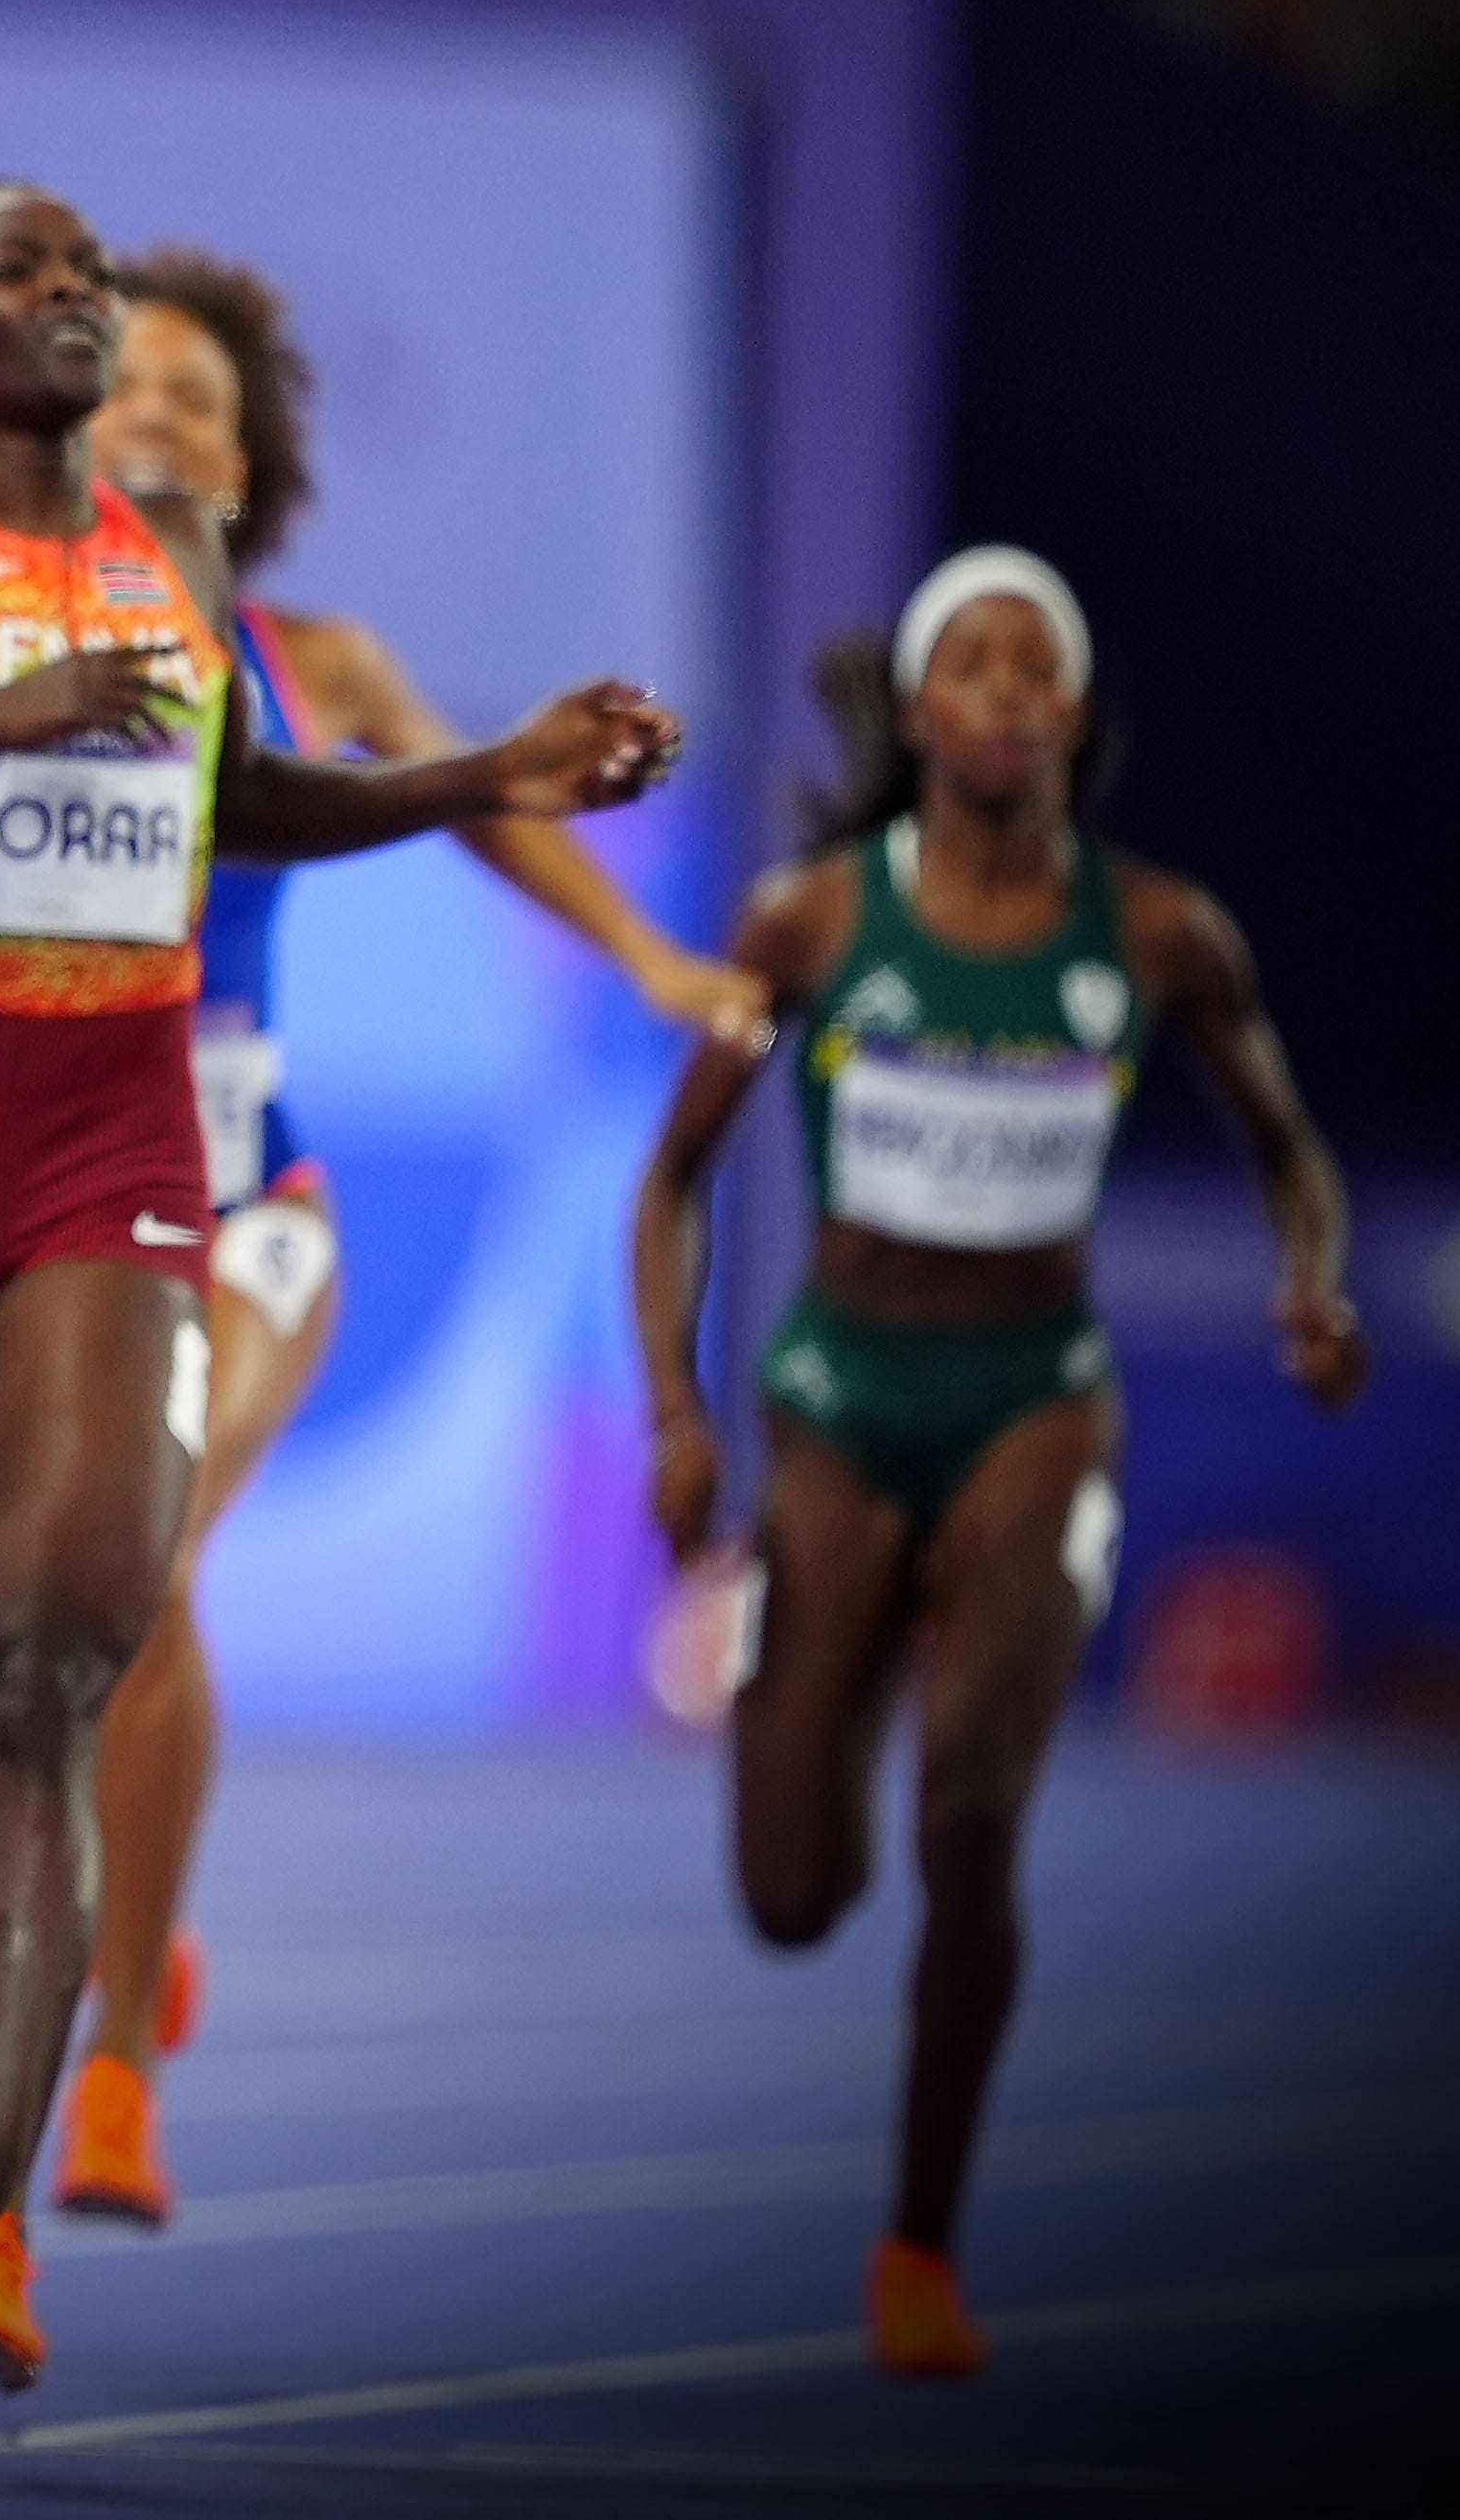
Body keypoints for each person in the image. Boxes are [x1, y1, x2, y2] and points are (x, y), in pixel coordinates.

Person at [0, 178, 678, 2393]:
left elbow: (247, 800)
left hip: (119, 1150)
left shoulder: (176, 565)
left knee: (47, 1667)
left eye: (90, 276)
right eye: (25, 275)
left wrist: (478, 776)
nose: (74, 300)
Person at [0, 247, 775, 2229]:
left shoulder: (307, 658)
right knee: (35, 1573)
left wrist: (644, 950)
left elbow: (478, 805)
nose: (164, 420)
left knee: (142, 1557)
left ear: (246, 472)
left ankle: (109, 2078)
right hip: (23, 1191)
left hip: (243, 1202)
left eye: (205, 407)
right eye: (134, 392)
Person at [634, 547, 1362, 2376]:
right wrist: (676, 1408)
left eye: (1042, 664)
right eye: (976, 658)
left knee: (976, 1816)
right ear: (926, 708)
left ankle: (920, 2250)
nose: (1012, 688)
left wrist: (1313, 1283)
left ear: (1079, 716)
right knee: (796, 1898)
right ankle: (851, 1661)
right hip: (836, 1399)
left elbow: (1287, 1145)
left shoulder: (1163, 931)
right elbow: (672, 1182)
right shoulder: (807, 921)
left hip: (1038, 1397)